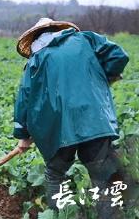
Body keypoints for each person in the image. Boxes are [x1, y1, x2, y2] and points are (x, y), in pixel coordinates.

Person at [13, 18, 130, 217]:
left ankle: (61, 214)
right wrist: (104, 77)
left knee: (55, 174)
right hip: (94, 120)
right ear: (60, 30)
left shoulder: (36, 60)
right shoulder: (86, 40)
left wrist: (23, 135)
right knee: (102, 175)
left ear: (36, 38)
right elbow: (118, 55)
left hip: (57, 130)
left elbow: (24, 100)